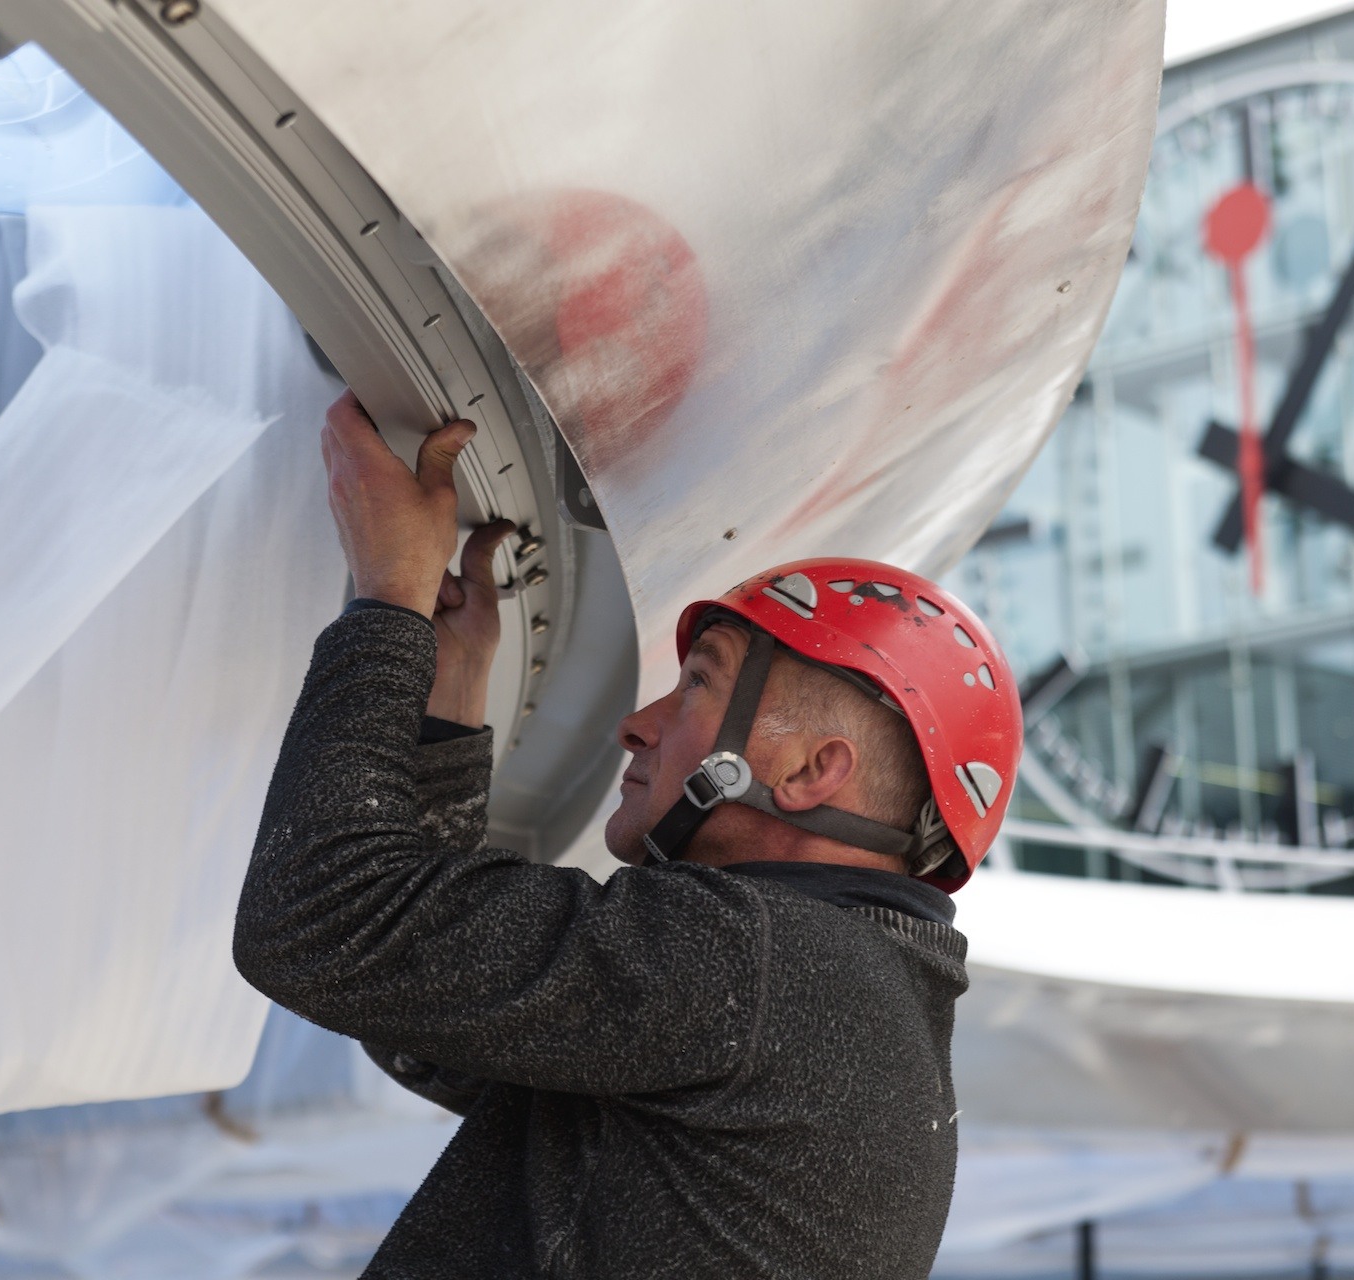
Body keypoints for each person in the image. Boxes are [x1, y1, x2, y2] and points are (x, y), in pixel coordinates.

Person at [234, 392, 1022, 1278]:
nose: (637, 725)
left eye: (696, 687)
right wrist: (449, 718)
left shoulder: (756, 963)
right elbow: (438, 1029)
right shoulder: (846, 1000)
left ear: (810, 774)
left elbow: (318, 922)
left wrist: (391, 603)